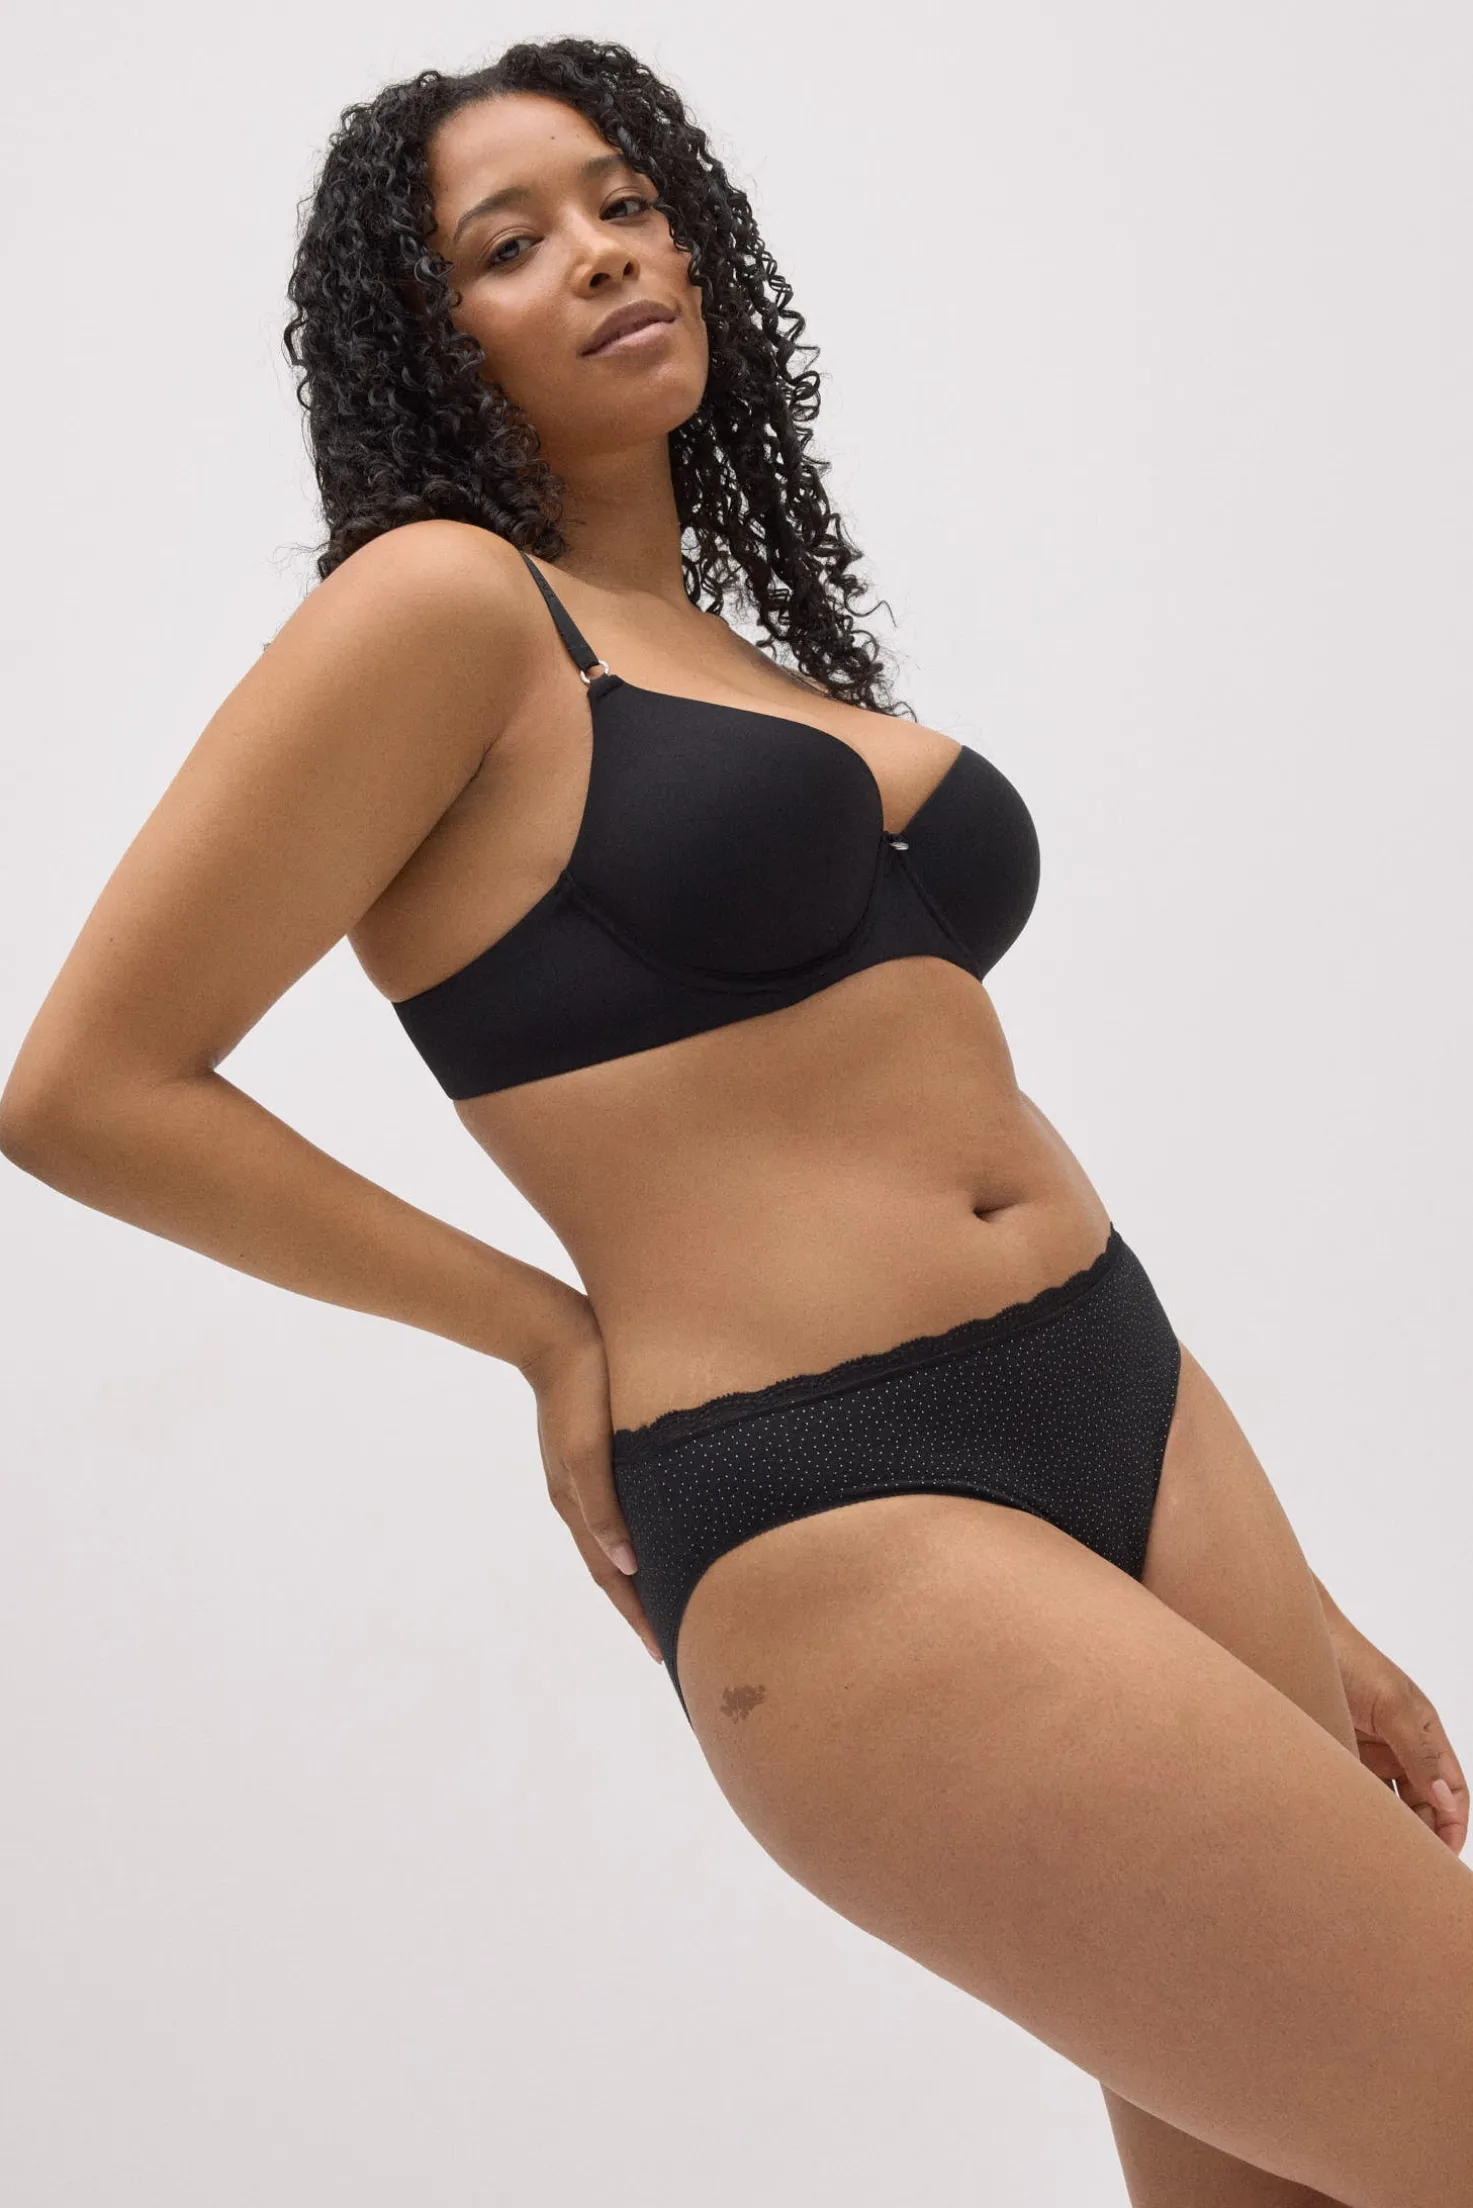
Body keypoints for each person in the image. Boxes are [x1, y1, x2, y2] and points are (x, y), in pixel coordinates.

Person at [2, 35, 1469, 2206]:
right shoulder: (440, 609)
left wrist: (1300, 1604)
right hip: (836, 1495)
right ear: (429, 338)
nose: (602, 253)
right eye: (511, 244)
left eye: (624, 202)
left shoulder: (733, 657)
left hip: (1132, 1398)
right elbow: (83, 1090)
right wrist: (541, 1331)